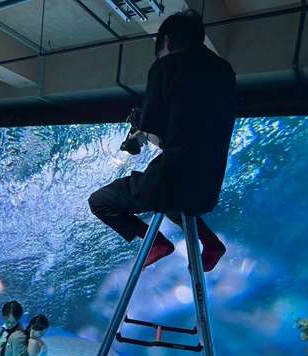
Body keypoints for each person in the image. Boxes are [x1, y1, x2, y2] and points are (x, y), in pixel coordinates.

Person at [87, 9, 236, 272]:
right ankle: (211, 242)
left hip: (172, 182)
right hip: (207, 187)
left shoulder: (167, 66)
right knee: (172, 193)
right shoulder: (224, 71)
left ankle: (156, 242)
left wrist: (138, 130)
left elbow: (155, 131)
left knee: (99, 200)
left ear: (166, 40)